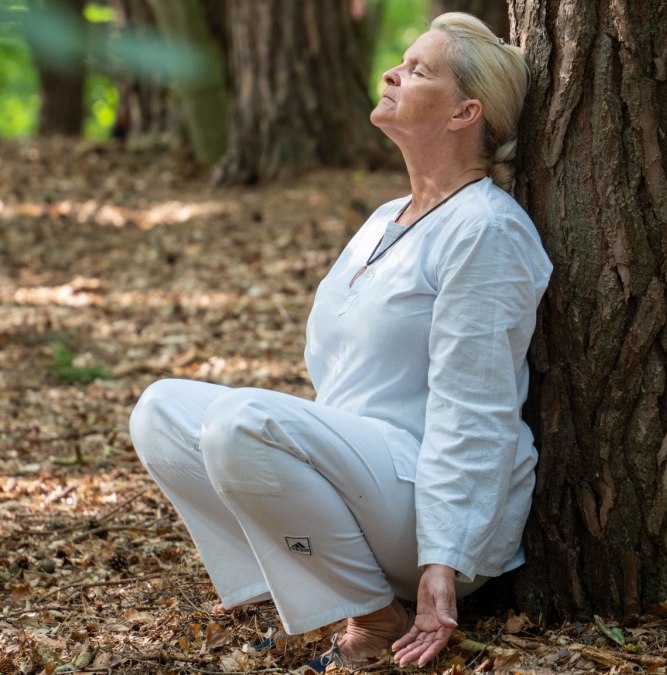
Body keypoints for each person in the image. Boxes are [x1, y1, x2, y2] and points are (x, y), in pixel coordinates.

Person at [129, 11, 552, 670]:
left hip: (433, 510)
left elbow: (477, 407)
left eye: (418, 71)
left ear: (465, 113)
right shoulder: (388, 218)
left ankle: (373, 614)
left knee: (241, 424)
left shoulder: (485, 232)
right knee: (160, 409)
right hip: (365, 480)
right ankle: (293, 584)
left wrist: (444, 563)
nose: (392, 72)